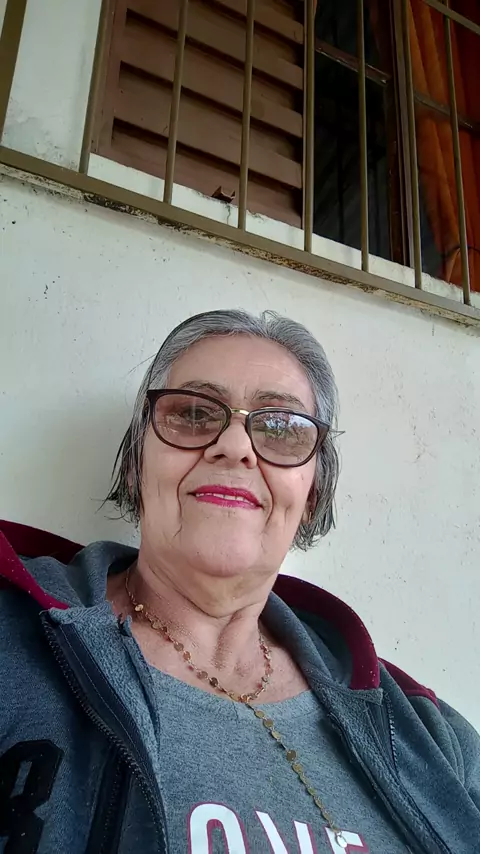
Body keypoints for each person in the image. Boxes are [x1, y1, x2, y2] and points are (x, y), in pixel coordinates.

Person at [0, 309, 479, 854]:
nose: (235, 445)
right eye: (194, 413)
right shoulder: (12, 643)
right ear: (135, 463)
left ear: (313, 493)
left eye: (281, 428)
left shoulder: (426, 735)